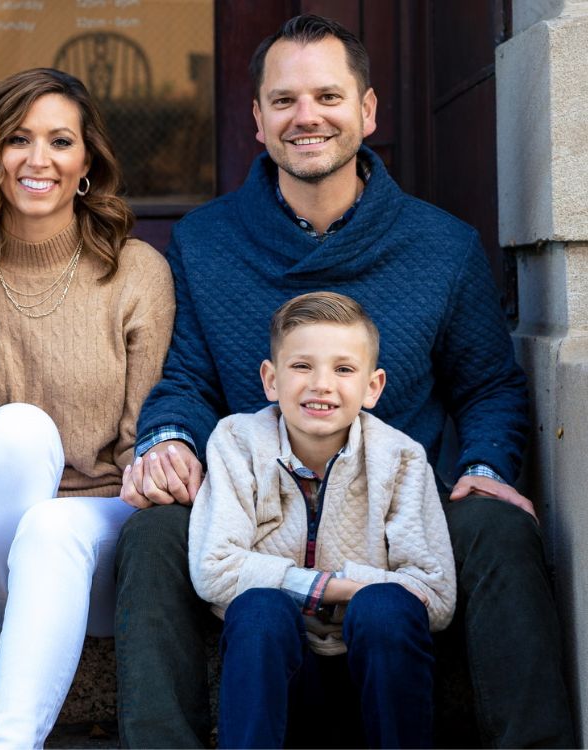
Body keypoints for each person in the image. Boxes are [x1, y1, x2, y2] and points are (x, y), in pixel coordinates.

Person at [116, 13, 574, 749]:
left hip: (398, 512)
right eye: (285, 100)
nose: (307, 117)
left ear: (367, 110)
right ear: (258, 119)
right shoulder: (205, 241)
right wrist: (168, 440)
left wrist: (486, 466)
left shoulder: (442, 245)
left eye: (328, 97)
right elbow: (187, 380)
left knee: (499, 525)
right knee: (153, 532)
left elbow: (490, 386)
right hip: (258, 514)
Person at [0, 68, 174, 749]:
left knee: (50, 527)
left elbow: (144, 442)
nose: (39, 160)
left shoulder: (136, 271)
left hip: (91, 540)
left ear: (87, 163)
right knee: (18, 431)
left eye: (60, 141)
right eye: (17, 139)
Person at [189, 291, 455, 748]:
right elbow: (214, 569)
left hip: (371, 676)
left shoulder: (401, 458)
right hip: (280, 680)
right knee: (259, 609)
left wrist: (349, 592)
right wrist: (338, 589)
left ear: (373, 387)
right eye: (301, 366)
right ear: (271, 380)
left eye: (344, 369)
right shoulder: (237, 442)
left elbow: (435, 595)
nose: (321, 384)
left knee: (386, 608)